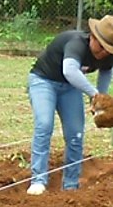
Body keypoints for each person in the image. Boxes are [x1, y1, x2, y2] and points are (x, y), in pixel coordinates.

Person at [26, 15, 113, 195]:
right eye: (102, 47)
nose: (104, 53)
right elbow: (70, 70)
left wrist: (99, 101)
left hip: (70, 88)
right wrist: (94, 94)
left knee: (76, 132)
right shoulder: (76, 43)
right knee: (44, 124)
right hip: (44, 81)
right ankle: (38, 180)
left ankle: (71, 184)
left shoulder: (108, 55)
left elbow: (106, 72)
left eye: (109, 50)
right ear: (93, 37)